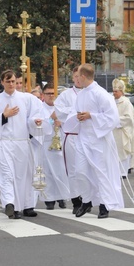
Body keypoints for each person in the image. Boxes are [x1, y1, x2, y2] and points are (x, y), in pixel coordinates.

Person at [0, 69, 43, 219]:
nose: (11, 84)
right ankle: (10, 204)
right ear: (2, 82)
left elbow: (36, 115)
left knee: (25, 175)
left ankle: (28, 205)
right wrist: (3, 116)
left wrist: (35, 121)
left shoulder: (27, 99)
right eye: (7, 81)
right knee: (7, 174)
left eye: (13, 81)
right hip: (6, 143)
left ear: (17, 82)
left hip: (23, 142)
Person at [72, 64, 124, 219]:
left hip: (99, 139)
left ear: (83, 76)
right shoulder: (81, 95)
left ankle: (104, 204)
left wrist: (91, 116)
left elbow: (112, 118)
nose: (76, 79)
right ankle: (87, 200)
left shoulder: (101, 94)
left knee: (101, 172)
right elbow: (76, 112)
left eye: (77, 76)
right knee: (80, 171)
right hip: (83, 138)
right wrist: (78, 117)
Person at [53, 67, 87, 214]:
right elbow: (58, 112)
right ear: (73, 78)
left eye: (81, 76)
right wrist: (75, 112)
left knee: (86, 170)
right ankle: (75, 200)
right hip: (72, 136)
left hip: (87, 136)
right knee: (73, 170)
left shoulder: (91, 93)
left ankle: (88, 198)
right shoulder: (66, 95)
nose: (78, 79)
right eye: (76, 76)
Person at [35, 82, 70, 209]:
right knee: (47, 172)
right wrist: (51, 119)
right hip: (46, 143)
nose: (51, 96)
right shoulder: (39, 108)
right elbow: (39, 124)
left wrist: (62, 122)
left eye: (53, 93)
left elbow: (70, 121)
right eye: (48, 93)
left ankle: (62, 197)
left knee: (61, 171)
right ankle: (49, 198)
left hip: (60, 141)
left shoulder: (61, 107)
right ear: (43, 95)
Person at [111, 79, 134, 175]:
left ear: (121, 91)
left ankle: (123, 172)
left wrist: (116, 120)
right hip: (113, 131)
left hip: (122, 131)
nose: (114, 93)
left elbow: (129, 118)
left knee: (123, 151)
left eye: (116, 91)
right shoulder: (111, 102)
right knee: (114, 152)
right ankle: (116, 172)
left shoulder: (126, 102)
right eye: (113, 91)